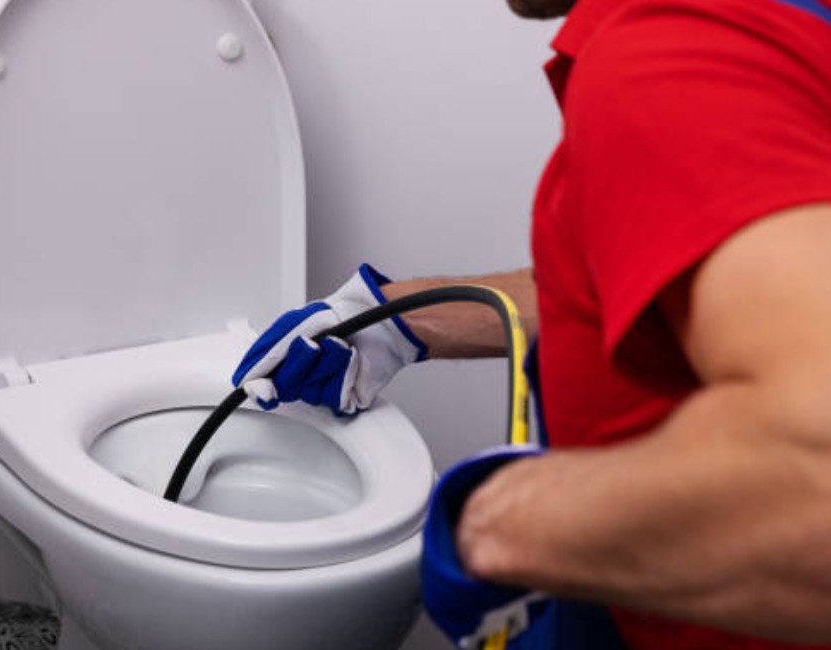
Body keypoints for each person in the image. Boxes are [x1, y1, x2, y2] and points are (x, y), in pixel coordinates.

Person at [230, 0, 831, 646]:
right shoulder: (769, 24)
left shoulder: (667, 65)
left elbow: (813, 479)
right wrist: (400, 320)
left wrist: (502, 526)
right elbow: (670, 276)